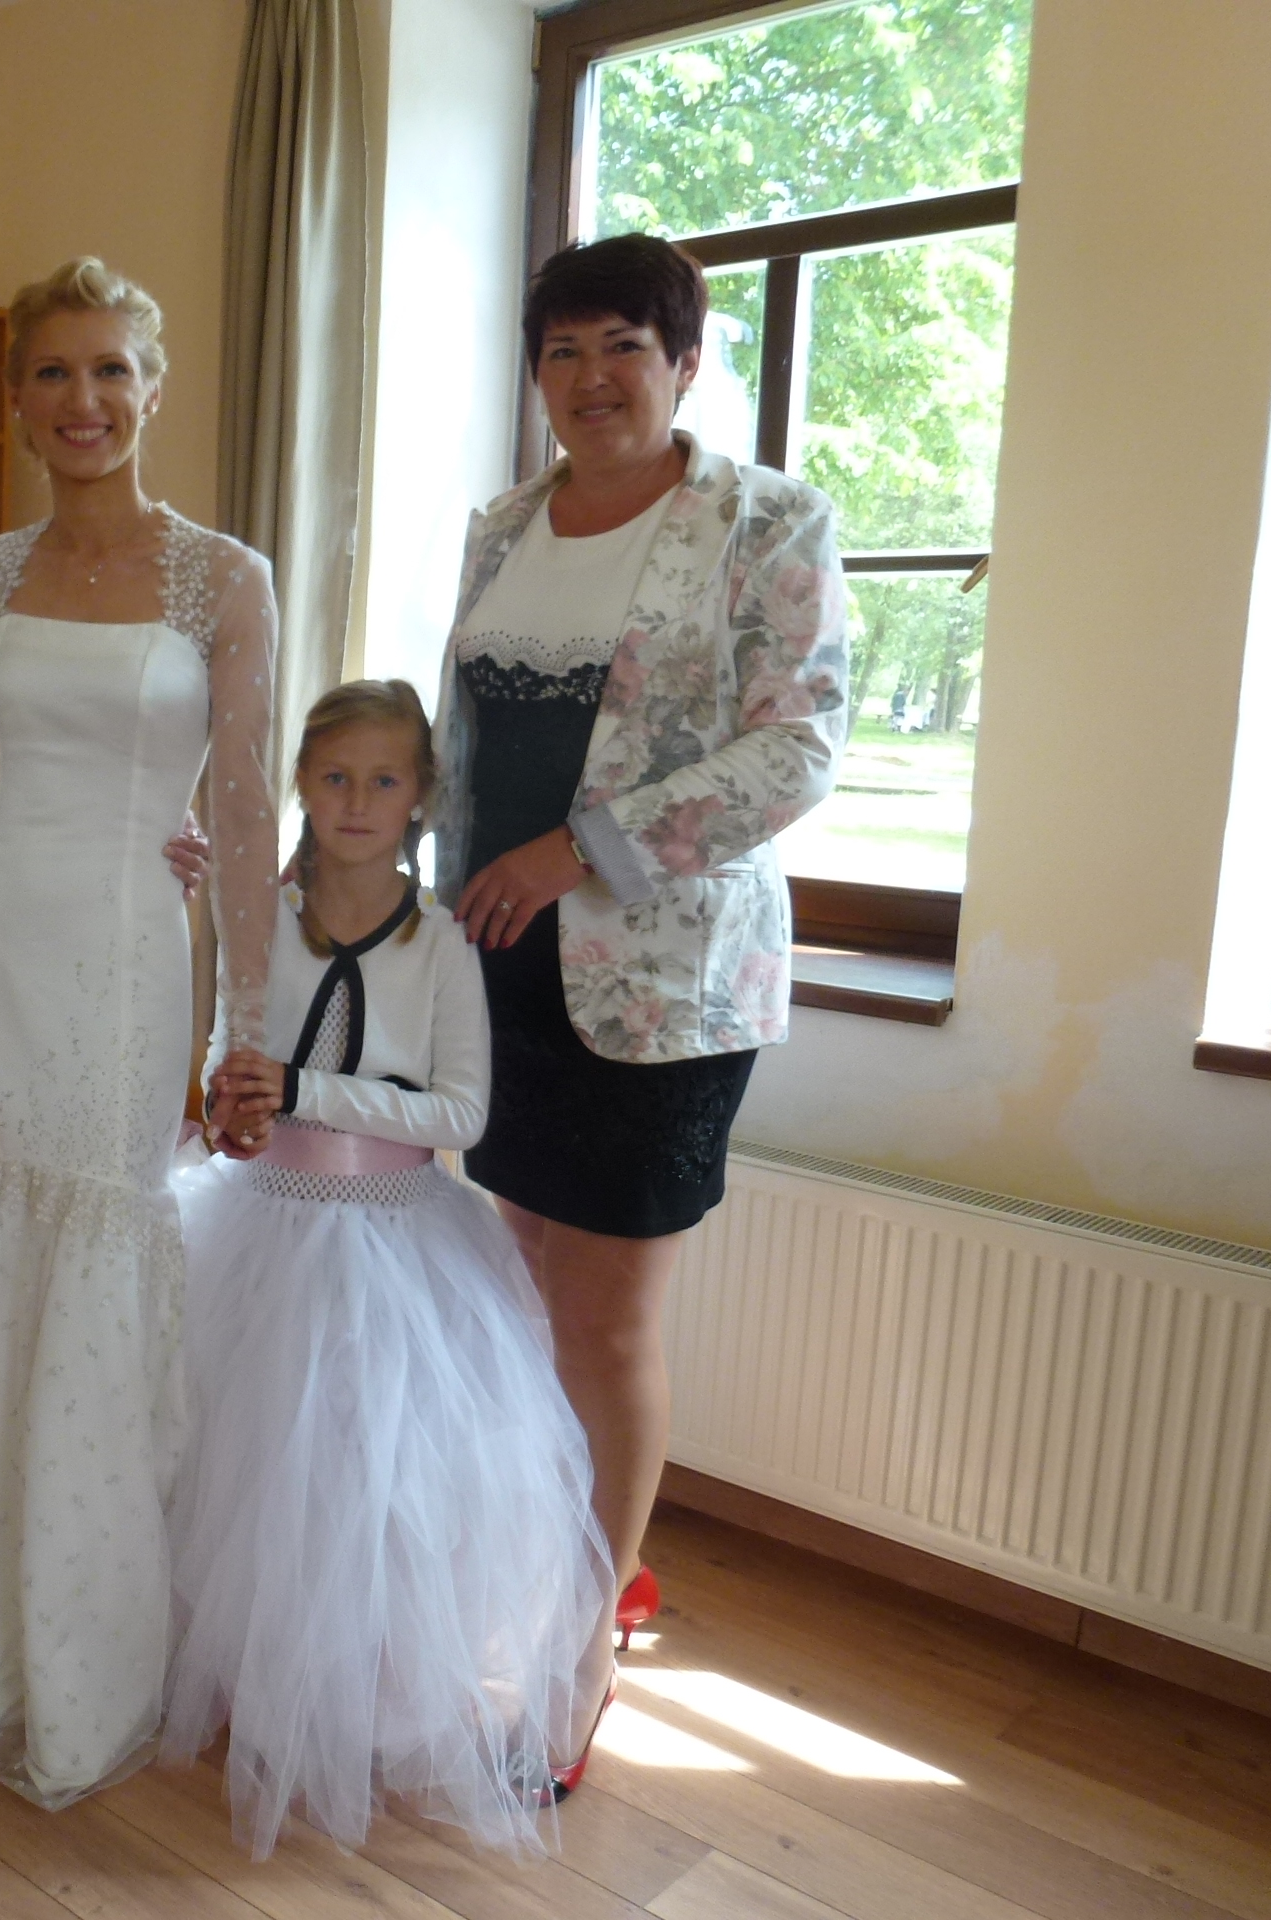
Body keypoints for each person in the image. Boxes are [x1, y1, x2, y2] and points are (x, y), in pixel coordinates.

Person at [0, 258, 279, 1806]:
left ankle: (91, 1653)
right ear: (17, 396)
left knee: (104, 1249)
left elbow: (245, 810)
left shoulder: (222, 578)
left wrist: (245, 1026)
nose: (84, 401)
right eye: (53, 372)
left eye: (112, 370)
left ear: (152, 388)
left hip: (126, 955)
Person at [435, 232, 849, 1667]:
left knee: (605, 1323)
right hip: (498, 966)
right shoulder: (503, 524)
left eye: (624, 345)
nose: (592, 376)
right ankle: (539, 1568)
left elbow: (798, 748)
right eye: (562, 350)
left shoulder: (767, 521)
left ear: (683, 360)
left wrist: (577, 852)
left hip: (661, 987)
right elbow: (468, 740)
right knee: (522, 1289)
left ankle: (583, 1643)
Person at [167, 680, 611, 1858]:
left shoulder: (441, 946)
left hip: (397, 1238)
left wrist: (306, 1091)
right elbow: (226, 1054)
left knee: (374, 1469)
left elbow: (461, 1111)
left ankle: (365, 1691)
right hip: (265, 1224)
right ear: (300, 789)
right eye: (333, 777)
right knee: (258, 1459)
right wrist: (233, 1108)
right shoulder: (259, 920)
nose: (356, 801)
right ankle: (253, 1670)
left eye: (382, 780)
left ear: (419, 798)